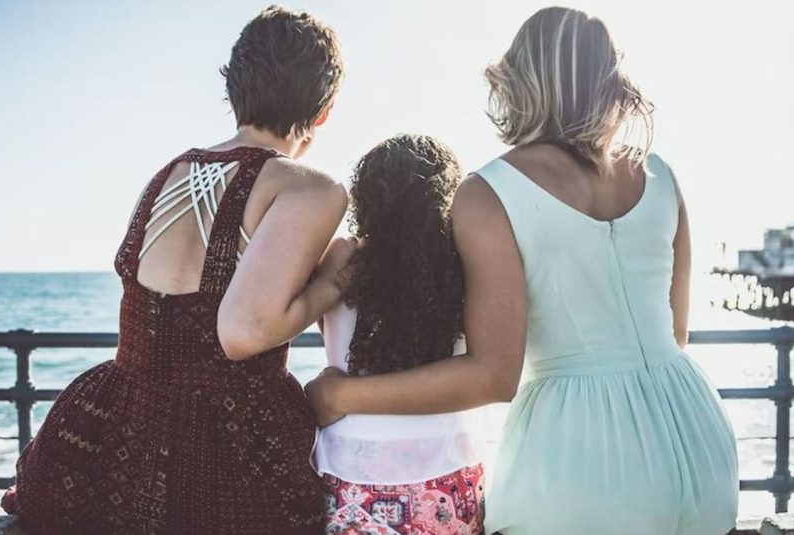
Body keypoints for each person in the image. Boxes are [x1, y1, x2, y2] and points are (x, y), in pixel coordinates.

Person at [306, 7, 738, 534]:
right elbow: (675, 333)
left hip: (579, 459)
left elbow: (494, 375)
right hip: (698, 440)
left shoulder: (490, 191)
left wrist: (341, 395)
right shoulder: (662, 174)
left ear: (520, 83)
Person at [2, 6, 350, 533]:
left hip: (112, 438)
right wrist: (334, 282)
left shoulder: (165, 174)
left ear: (235, 88)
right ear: (324, 110)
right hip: (228, 456)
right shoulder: (310, 189)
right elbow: (247, 331)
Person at [315, 134, 485, 534]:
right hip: (448, 477)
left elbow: (326, 330)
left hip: (351, 475)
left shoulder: (342, 261)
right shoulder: (464, 269)